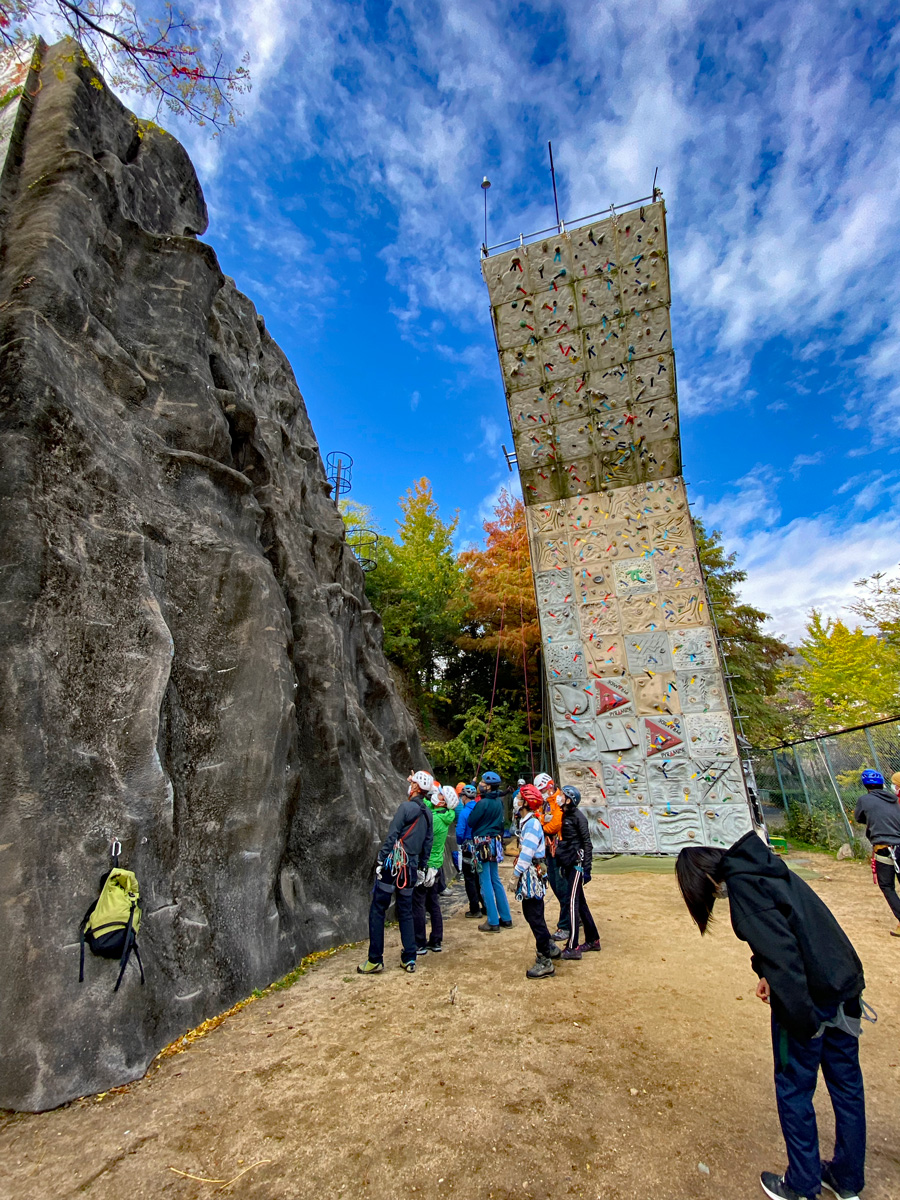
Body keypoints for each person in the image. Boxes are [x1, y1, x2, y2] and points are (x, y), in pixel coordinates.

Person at [676, 832, 868, 1200]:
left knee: (794, 1089)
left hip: (809, 1001)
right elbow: (794, 930)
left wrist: (801, 1020)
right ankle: (846, 1179)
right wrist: (764, 972)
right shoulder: (766, 868)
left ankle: (801, 1185)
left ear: (704, 880)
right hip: (844, 985)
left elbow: (784, 958)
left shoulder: (744, 891)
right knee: (847, 1088)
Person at [358, 770, 434, 975]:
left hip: (394, 864)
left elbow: (393, 834)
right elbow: (428, 843)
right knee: (406, 910)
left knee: (378, 908)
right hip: (411, 867)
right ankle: (409, 957)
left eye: (412, 782)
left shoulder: (405, 808)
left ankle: (375, 959)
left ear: (416, 787)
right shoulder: (428, 814)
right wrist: (422, 867)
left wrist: (381, 859)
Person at [509, 784, 561, 978]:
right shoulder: (529, 822)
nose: (516, 801)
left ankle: (545, 960)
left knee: (534, 915)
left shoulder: (531, 825)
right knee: (534, 913)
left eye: (519, 798)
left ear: (525, 803)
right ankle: (549, 946)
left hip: (531, 873)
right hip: (533, 872)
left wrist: (515, 874)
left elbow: (527, 852)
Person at [556, 785, 601, 960]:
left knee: (572, 903)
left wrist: (587, 868)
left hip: (577, 865)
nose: (559, 797)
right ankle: (593, 939)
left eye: (562, 795)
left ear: (569, 800)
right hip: (568, 862)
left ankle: (573, 946)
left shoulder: (578, 818)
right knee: (580, 903)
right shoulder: (565, 815)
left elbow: (587, 843)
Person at [853, 768, 900, 937]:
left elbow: (859, 818)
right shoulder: (894, 800)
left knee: (887, 885)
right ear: (882, 784)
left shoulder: (864, 800)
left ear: (866, 786)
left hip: (884, 847)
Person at [413, 784, 458, 955]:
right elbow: (428, 805)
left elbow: (424, 811)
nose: (436, 794)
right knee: (433, 904)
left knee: (418, 904)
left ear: (443, 802)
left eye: (439, 794)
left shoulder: (434, 819)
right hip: (436, 867)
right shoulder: (444, 815)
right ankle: (436, 940)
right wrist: (418, 785)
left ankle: (419, 943)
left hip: (425, 867)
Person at [468, 770, 512, 932]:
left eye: (482, 783)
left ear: (487, 787)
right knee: (495, 879)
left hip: (482, 843)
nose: (480, 785)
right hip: (494, 842)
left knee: (485, 880)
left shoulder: (483, 803)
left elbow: (471, 821)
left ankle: (493, 921)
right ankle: (506, 917)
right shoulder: (498, 802)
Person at [534, 772, 569, 942]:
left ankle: (566, 925)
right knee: (556, 885)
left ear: (548, 787)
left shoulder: (558, 801)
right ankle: (573, 917)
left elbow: (555, 825)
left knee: (562, 887)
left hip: (559, 850)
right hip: (551, 849)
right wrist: (542, 820)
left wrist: (541, 824)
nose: (541, 794)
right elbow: (540, 817)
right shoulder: (547, 802)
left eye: (541, 790)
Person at [456, 783, 486, 918]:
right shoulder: (480, 809)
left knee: (469, 878)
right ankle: (486, 905)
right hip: (481, 846)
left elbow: (460, 832)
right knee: (481, 877)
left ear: (464, 797)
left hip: (468, 847)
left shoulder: (464, 812)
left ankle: (474, 909)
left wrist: (460, 842)